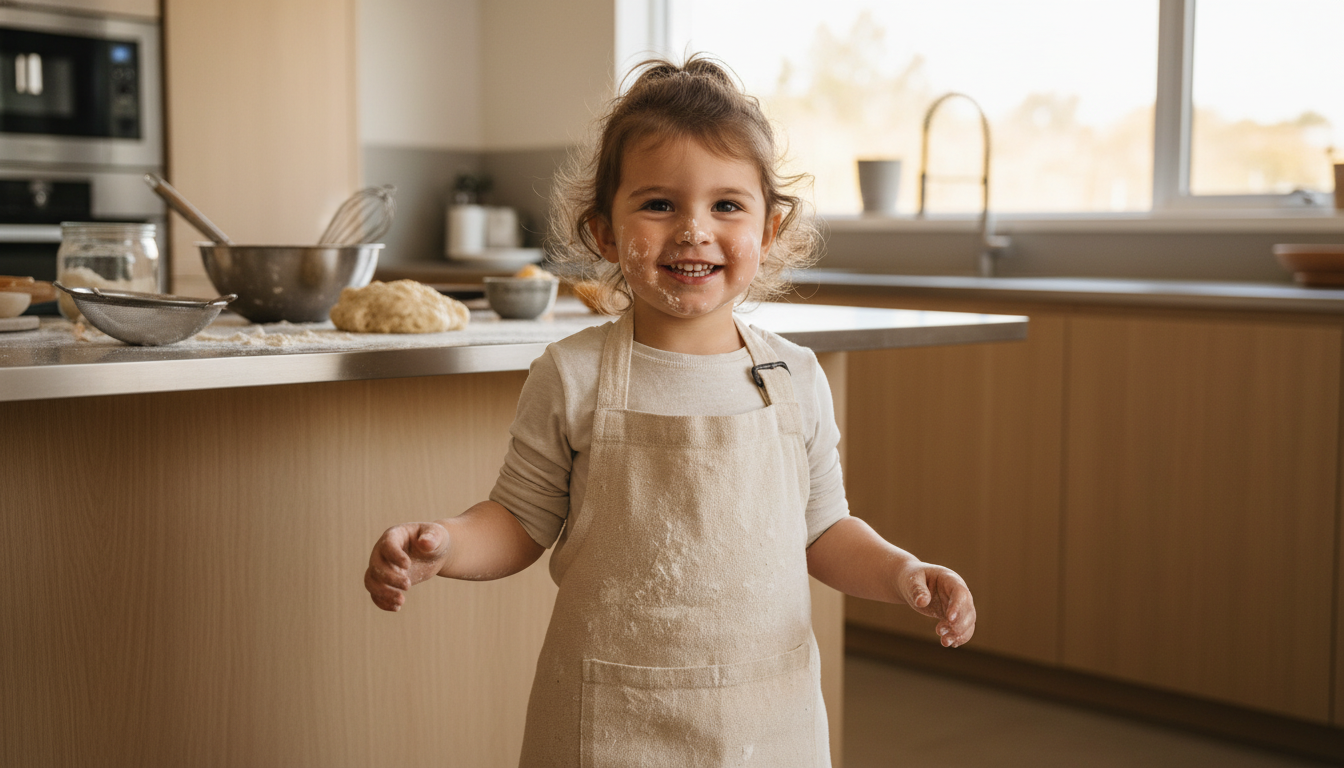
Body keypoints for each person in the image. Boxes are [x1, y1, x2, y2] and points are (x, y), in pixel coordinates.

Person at [364, 56, 976, 767]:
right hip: (609, 721)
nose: (693, 230)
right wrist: (446, 543)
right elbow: (518, 521)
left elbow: (825, 530)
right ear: (602, 230)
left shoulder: (795, 377)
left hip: (766, 720)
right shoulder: (573, 375)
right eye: (658, 204)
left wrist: (902, 573)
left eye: (727, 205)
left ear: (769, 230)